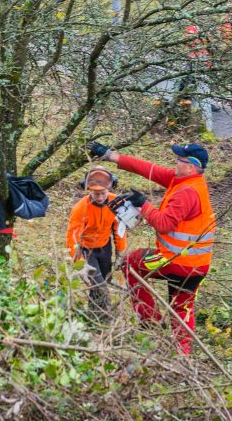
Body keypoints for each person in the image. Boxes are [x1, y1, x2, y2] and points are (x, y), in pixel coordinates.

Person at [87, 140, 215, 355]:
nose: (175, 162)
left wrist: (143, 204)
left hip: (174, 261)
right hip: (197, 266)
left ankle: (149, 321)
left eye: (180, 159)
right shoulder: (185, 180)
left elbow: (164, 224)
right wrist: (110, 155)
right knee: (181, 308)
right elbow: (150, 169)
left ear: (191, 166)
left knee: (131, 264)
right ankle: (183, 359)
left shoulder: (187, 192)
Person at [65, 166, 127, 317]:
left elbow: (120, 228)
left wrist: (121, 251)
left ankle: (93, 315)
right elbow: (72, 238)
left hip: (105, 247)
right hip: (86, 249)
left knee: (103, 281)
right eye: (96, 193)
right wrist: (79, 262)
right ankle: (104, 318)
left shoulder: (115, 202)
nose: (100, 197)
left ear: (109, 189)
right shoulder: (80, 208)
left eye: (103, 193)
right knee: (98, 285)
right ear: (88, 190)